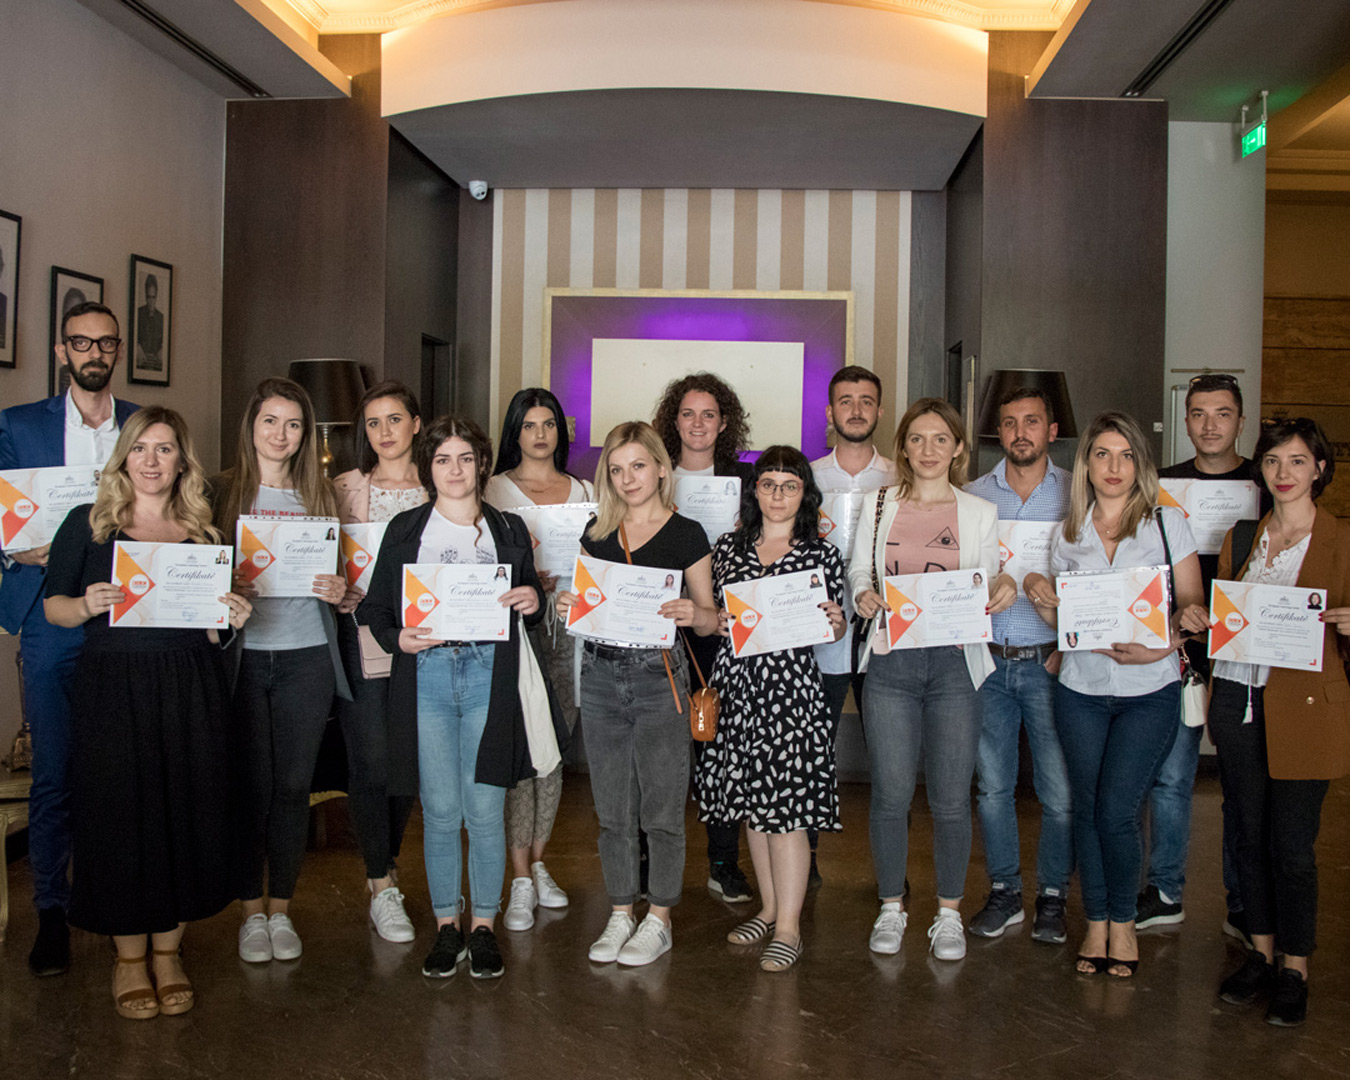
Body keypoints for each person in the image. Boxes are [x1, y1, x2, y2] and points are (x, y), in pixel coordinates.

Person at [43, 408, 252, 1019]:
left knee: (186, 811)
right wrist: (87, 603)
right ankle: (129, 959)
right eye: (141, 449)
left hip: (190, 685)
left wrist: (232, 619)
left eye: (165, 449)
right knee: (121, 816)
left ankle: (168, 952)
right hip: (113, 687)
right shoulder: (89, 525)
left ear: (182, 461)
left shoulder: (205, 533)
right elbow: (54, 608)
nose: (152, 461)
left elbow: (212, 630)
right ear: (124, 457)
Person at [361, 415, 545, 980]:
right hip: (428, 675)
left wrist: (532, 600)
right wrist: (398, 639)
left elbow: (532, 601)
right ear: (428, 467)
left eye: (466, 458)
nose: (455, 469)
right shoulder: (406, 529)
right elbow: (375, 608)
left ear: (482, 464)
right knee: (441, 812)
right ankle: (447, 926)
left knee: (485, 811)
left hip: (491, 674)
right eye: (443, 459)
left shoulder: (509, 528)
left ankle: (483, 926)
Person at [1024, 411, 1206, 978]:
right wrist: (1040, 596)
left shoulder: (1166, 523)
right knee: (1087, 807)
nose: (1114, 466)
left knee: (1118, 810)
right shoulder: (1068, 532)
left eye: (1126, 455)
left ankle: (1123, 921)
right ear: (1086, 464)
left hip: (1149, 690)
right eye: (1102, 454)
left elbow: (1192, 604)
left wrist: (1161, 646)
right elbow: (1063, 620)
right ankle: (1096, 921)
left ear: (1140, 465)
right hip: (1080, 689)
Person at [0, 300, 140, 977]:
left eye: (105, 343)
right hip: (48, 612)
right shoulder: (19, 425)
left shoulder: (142, 425)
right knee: (54, 770)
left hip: (128, 613)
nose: (94, 353)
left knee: (122, 768)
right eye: (81, 343)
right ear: (62, 351)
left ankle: (119, 907)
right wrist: (15, 549)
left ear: (118, 350)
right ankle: (51, 912)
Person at [851, 398, 1016, 960]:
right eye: (917, 439)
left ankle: (948, 914)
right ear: (903, 447)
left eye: (941, 439)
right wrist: (862, 594)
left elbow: (991, 577)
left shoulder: (979, 511)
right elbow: (858, 570)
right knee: (890, 795)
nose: (928, 449)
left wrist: (1005, 585)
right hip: (891, 662)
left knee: (950, 798)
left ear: (958, 448)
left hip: (954, 665)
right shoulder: (878, 504)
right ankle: (891, 906)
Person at [556, 421, 718, 967]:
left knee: (663, 810)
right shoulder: (596, 531)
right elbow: (586, 605)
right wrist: (567, 605)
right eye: (617, 470)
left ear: (661, 469)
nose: (628, 479)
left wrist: (694, 613)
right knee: (612, 809)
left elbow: (711, 620)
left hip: (660, 677)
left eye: (638, 466)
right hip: (601, 674)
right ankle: (621, 910)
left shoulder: (687, 533)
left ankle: (660, 919)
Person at [1209, 417, 1350, 1027]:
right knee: (1247, 837)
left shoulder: (1343, 540)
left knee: (1291, 849)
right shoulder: (1242, 537)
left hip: (1308, 713)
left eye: (1296, 461)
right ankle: (1261, 955)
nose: (1283, 473)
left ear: (1319, 468)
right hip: (1238, 702)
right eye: (1272, 461)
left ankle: (1296, 968)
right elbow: (1225, 620)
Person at [213, 377, 352, 965]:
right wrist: (223, 585)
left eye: (294, 424)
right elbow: (195, 572)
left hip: (307, 659)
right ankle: (251, 913)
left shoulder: (320, 497)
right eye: (270, 421)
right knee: (251, 788)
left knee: (294, 788)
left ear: (305, 434)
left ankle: (282, 911)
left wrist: (340, 590)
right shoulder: (220, 493)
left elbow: (342, 581)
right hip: (243, 660)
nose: (281, 434)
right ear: (251, 425)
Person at [696, 446, 847, 971]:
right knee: (753, 810)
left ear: (805, 493)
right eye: (768, 484)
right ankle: (767, 908)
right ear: (754, 491)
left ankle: (789, 928)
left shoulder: (821, 554)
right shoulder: (727, 547)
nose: (778, 495)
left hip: (791, 693)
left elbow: (832, 628)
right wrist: (714, 620)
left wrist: (836, 624)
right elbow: (715, 615)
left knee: (787, 815)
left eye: (790, 486)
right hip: (738, 687)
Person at [1141, 373, 1259, 936]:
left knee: (1242, 784)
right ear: (1185, 420)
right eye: (1198, 414)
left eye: (1222, 414)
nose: (1210, 425)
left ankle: (1245, 902)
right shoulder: (1159, 485)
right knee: (1171, 777)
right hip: (1180, 647)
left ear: (1241, 421)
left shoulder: (1266, 481)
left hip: (1248, 650)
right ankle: (1166, 890)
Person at [963, 386, 1073, 945]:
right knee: (992, 790)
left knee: (1059, 793)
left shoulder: (1077, 494)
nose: (1020, 432)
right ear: (998, 433)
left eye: (1032, 421)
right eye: (1009, 423)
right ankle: (1004, 891)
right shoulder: (972, 497)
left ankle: (1053, 896)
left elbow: (1093, 577)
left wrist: (1070, 643)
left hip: (1051, 662)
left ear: (1051, 431)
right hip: (989, 661)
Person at [485, 387, 594, 932]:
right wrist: (527, 577)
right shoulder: (492, 490)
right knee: (519, 749)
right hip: (516, 632)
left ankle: (539, 860)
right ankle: (519, 874)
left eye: (548, 423)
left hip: (570, 631)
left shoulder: (585, 491)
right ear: (515, 432)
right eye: (528, 425)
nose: (540, 434)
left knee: (555, 747)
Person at [652, 372, 755, 904]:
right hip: (660, 625)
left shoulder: (747, 480)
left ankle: (722, 861)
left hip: (725, 630)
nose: (698, 423)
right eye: (688, 413)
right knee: (661, 749)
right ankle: (649, 862)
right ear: (674, 421)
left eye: (708, 414)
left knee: (720, 745)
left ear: (724, 422)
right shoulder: (653, 474)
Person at [332, 381, 427, 943]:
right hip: (361, 635)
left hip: (424, 640)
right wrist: (335, 585)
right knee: (369, 757)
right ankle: (380, 882)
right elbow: (320, 557)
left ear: (416, 423)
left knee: (407, 758)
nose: (385, 432)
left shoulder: (442, 482)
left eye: (395, 419)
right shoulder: (341, 489)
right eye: (373, 422)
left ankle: (386, 863)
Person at [809, 366, 898, 886]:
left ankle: (892, 870)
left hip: (883, 632)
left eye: (866, 401)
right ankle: (805, 862)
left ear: (879, 410)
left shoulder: (900, 478)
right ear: (830, 411)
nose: (857, 410)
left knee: (889, 757)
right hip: (817, 633)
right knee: (810, 750)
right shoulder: (807, 478)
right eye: (846, 400)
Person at [135, 274, 164, 372]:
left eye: (153, 297)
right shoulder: (138, 313)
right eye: (148, 297)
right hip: (140, 363)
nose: (151, 301)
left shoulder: (161, 318)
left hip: (156, 364)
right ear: (145, 296)